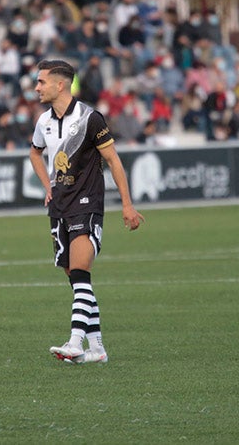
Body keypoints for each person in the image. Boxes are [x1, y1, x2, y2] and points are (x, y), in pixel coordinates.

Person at [29, 59, 144, 365]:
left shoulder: (90, 118)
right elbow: (34, 152)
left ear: (60, 84)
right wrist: (47, 186)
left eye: (41, 82)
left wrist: (127, 205)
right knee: (77, 280)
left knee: (80, 272)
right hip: (59, 207)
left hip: (87, 204)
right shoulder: (44, 122)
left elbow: (114, 161)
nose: (37, 87)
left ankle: (75, 341)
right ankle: (97, 348)